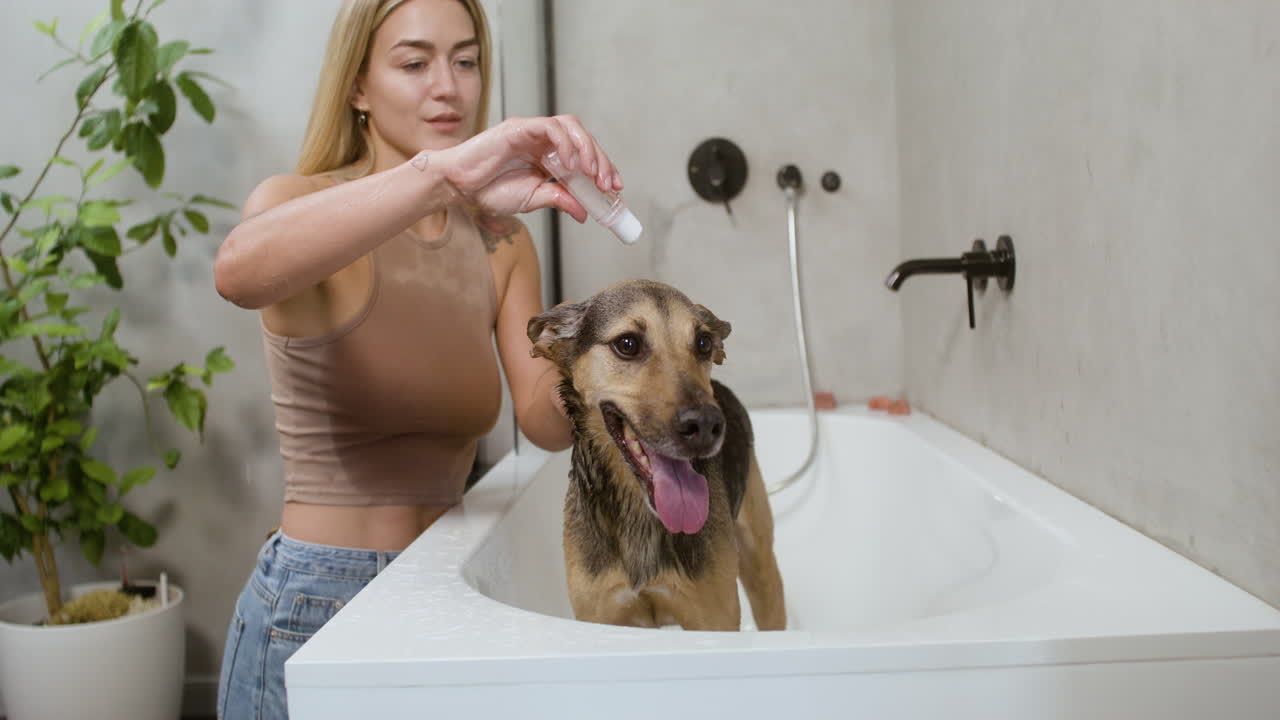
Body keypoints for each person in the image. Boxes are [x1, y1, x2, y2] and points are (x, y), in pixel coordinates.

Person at [212, 1, 621, 717]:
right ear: (358, 87)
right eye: (413, 62)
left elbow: (546, 421)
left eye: (466, 61)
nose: (449, 86)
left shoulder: (501, 241)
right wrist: (440, 177)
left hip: (445, 589)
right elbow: (239, 272)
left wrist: (626, 363)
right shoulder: (298, 203)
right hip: (318, 601)